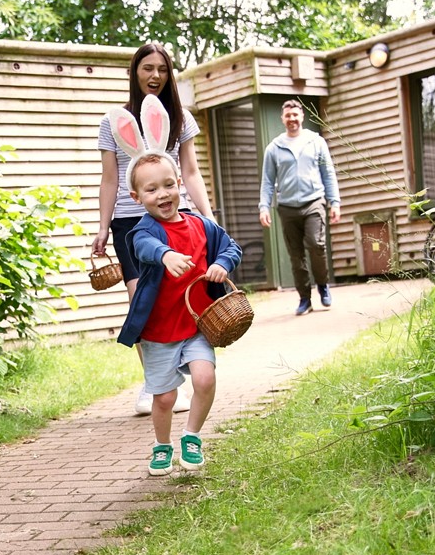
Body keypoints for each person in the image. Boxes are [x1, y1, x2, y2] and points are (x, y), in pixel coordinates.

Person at [109, 95, 242, 476]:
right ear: (137, 197)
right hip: (159, 332)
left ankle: (193, 436)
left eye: (168, 185)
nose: (162, 194)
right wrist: (166, 256)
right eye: (151, 190)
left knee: (205, 377)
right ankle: (162, 445)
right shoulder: (143, 230)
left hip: (196, 324)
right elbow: (144, 247)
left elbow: (230, 245)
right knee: (164, 398)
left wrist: (220, 263)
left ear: (179, 183)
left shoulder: (201, 224)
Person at [92, 42, 215, 415]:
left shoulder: (181, 119)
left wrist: (208, 218)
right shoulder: (113, 122)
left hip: (176, 219)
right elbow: (110, 179)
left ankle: (184, 367)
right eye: (147, 68)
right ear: (135, 72)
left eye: (162, 68)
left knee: (178, 296)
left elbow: (190, 172)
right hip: (130, 223)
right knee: (140, 297)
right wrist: (102, 227)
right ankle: (153, 385)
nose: (155, 75)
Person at [257, 99, 341, 316]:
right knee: (296, 256)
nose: (292, 119)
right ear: (282, 118)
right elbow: (267, 181)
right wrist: (264, 206)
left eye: (295, 115)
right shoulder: (274, 148)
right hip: (287, 207)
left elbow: (328, 173)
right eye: (288, 116)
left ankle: (322, 285)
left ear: (302, 117)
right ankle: (305, 299)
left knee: (315, 244)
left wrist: (335, 202)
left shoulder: (316, 142)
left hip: (314, 201)